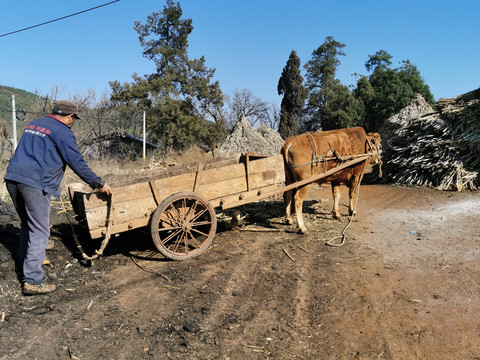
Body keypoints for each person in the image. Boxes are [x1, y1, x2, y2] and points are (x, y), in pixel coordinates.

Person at [4, 100, 112, 296]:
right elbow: (76, 161)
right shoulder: (63, 131)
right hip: (35, 183)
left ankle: (27, 262)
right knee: (39, 230)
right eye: (73, 119)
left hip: (13, 178)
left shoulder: (34, 124)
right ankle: (33, 280)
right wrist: (98, 182)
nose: (72, 122)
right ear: (70, 117)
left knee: (28, 224)